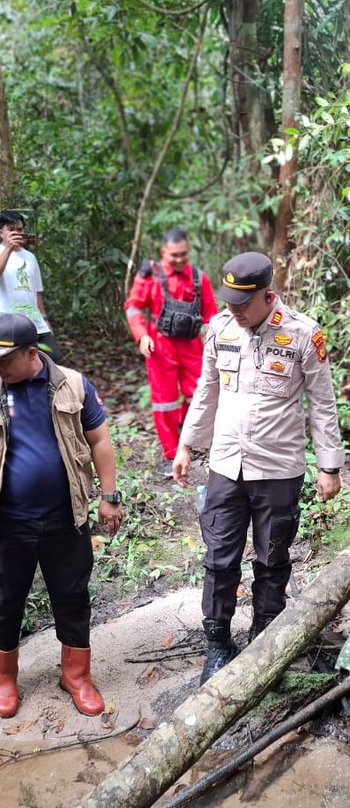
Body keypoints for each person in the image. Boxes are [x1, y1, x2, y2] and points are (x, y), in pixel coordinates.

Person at [173, 251, 345, 684]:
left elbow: (322, 406)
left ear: (268, 295)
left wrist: (329, 467)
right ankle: (218, 642)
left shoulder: (305, 335)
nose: (233, 311)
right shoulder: (221, 328)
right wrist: (187, 444)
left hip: (278, 468)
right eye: (228, 302)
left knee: (272, 558)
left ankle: (266, 638)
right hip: (226, 464)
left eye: (241, 304)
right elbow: (206, 390)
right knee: (219, 559)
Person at [0, 312, 123, 718]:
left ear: (31, 353)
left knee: (72, 598)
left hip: (64, 518)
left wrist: (109, 496)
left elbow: (99, 438)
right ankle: (4, 679)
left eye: (5, 361)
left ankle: (76, 676)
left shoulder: (71, 384)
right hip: (8, 523)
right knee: (4, 600)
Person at [125, 227, 218, 477]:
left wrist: (217, 344)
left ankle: (189, 439)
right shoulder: (149, 276)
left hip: (192, 346)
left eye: (183, 255)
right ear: (163, 252)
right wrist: (141, 334)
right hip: (159, 345)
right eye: (174, 255)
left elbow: (212, 316)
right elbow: (134, 307)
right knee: (164, 401)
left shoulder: (199, 277)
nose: (179, 260)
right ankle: (170, 453)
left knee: (198, 394)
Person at [0, 210, 60, 362]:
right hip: (9, 323)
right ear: (1, 232)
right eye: (11, 230)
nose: (17, 233)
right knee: (15, 364)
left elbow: (37, 293)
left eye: (19, 230)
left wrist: (46, 321)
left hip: (35, 321)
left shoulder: (30, 257)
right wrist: (8, 248)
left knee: (52, 357)